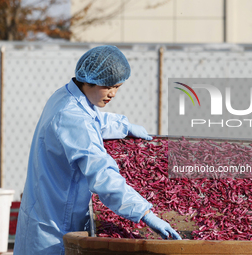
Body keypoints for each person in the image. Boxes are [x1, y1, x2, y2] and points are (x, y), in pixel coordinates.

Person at [14, 45, 181, 255]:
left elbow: (91, 121)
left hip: (46, 211)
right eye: (108, 86)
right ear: (89, 80)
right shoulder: (73, 118)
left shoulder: (65, 96)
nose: (113, 93)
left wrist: (123, 126)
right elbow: (101, 174)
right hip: (55, 228)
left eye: (117, 87)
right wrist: (145, 213)